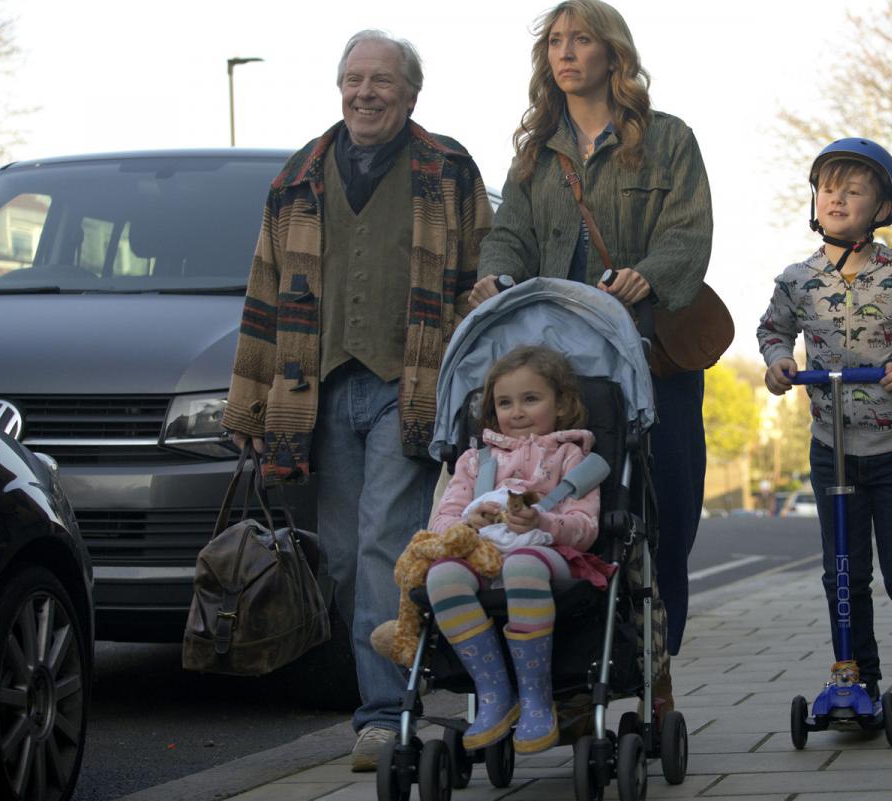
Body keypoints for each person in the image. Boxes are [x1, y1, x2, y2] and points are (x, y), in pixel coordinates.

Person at [221, 30, 494, 770]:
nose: (364, 92)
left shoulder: (448, 169)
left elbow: (484, 277)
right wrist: (249, 408)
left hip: (410, 388)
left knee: (381, 548)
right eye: (353, 79)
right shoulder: (299, 177)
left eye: (381, 80)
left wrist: (485, 386)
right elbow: (264, 295)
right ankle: (429, 667)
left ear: (411, 94)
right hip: (318, 392)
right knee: (345, 558)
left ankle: (383, 715)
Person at [468, 0, 712, 720]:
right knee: (574, 515)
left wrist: (648, 273)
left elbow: (689, 233)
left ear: (613, 55)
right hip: (564, 372)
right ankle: (578, 679)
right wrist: (493, 275)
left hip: (647, 354)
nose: (566, 52)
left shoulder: (669, 140)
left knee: (661, 520)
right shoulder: (536, 153)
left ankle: (655, 674)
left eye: (581, 40)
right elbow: (509, 235)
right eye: (556, 42)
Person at [756, 138, 892, 728]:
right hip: (833, 449)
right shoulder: (798, 280)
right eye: (828, 190)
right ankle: (859, 684)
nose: (837, 198)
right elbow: (772, 330)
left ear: (882, 208)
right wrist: (777, 363)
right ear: (814, 204)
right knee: (843, 574)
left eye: (853, 190)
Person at [424, 345, 603, 754]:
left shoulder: (573, 457)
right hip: (484, 557)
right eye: (505, 402)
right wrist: (471, 520)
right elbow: (441, 522)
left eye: (531, 399)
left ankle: (536, 697)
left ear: (561, 406)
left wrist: (543, 521)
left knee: (523, 563)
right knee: (442, 574)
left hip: (546, 559)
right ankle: (495, 694)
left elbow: (585, 527)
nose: (517, 412)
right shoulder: (475, 461)